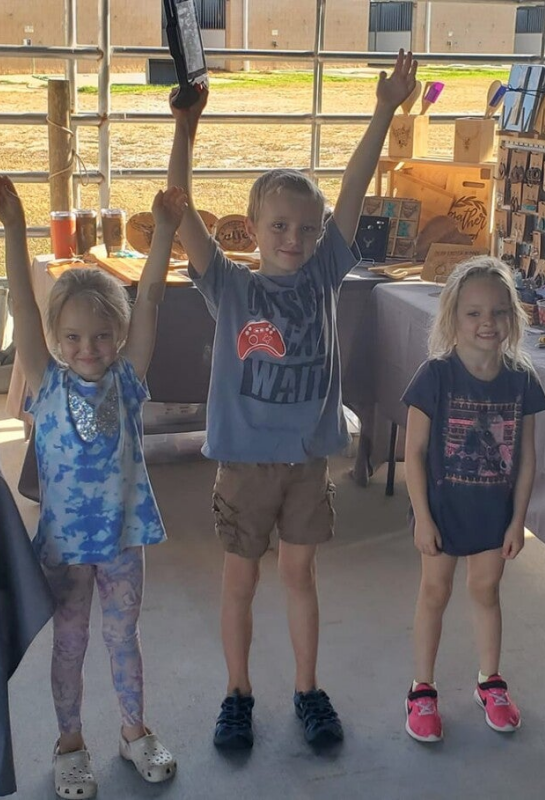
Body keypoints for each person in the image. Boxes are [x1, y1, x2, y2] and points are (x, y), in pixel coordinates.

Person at [167, 51, 418, 749]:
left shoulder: (324, 274)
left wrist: (384, 110)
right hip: (245, 466)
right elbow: (181, 212)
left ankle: (308, 689)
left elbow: (354, 189)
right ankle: (237, 693)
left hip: (307, 462)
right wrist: (185, 130)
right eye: (279, 226)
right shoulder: (232, 288)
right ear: (252, 228)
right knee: (240, 581)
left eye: (307, 228)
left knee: (300, 575)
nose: (295, 239)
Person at [0, 175, 186, 798]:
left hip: (124, 539)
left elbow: (149, 301)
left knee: (124, 638)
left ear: (118, 336)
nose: (88, 348)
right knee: (69, 644)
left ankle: (133, 731)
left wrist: (164, 233)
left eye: (101, 336)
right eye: (73, 337)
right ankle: (69, 743)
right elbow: (24, 306)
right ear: (56, 339)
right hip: (65, 548)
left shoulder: (127, 379)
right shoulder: (46, 382)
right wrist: (15, 230)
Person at [401, 256, 545, 743]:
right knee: (434, 593)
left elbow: (526, 457)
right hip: (442, 512)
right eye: (474, 312)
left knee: (486, 591)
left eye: (499, 311)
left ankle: (490, 681)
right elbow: (414, 453)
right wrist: (423, 518)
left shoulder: (522, 379)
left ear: (513, 316)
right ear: (453, 317)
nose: (488, 322)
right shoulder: (434, 376)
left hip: (494, 514)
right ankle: (422, 688)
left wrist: (517, 520)